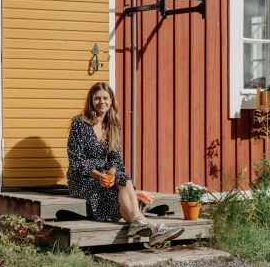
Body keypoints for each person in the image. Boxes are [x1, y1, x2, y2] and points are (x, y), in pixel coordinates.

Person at [66, 82, 184, 246]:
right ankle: (155, 228)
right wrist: (99, 176)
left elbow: (116, 160)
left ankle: (142, 225)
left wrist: (111, 174)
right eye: (97, 98)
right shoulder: (79, 124)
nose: (102, 102)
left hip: (105, 176)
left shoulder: (113, 126)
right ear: (91, 101)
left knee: (123, 178)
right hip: (82, 178)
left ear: (111, 100)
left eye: (105, 98)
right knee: (117, 192)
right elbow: (76, 161)